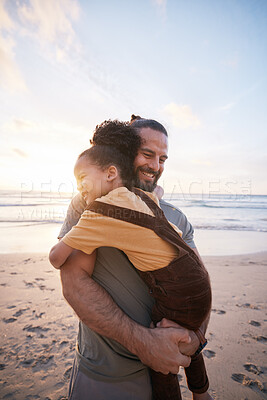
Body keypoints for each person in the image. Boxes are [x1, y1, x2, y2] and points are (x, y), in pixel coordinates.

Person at [50, 119, 212, 400]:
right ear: (122, 153)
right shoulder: (89, 204)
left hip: (165, 367)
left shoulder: (173, 215)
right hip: (105, 376)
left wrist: (195, 339)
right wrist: (146, 344)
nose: (156, 166)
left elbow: (199, 279)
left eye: (162, 159)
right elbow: (74, 284)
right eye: (147, 154)